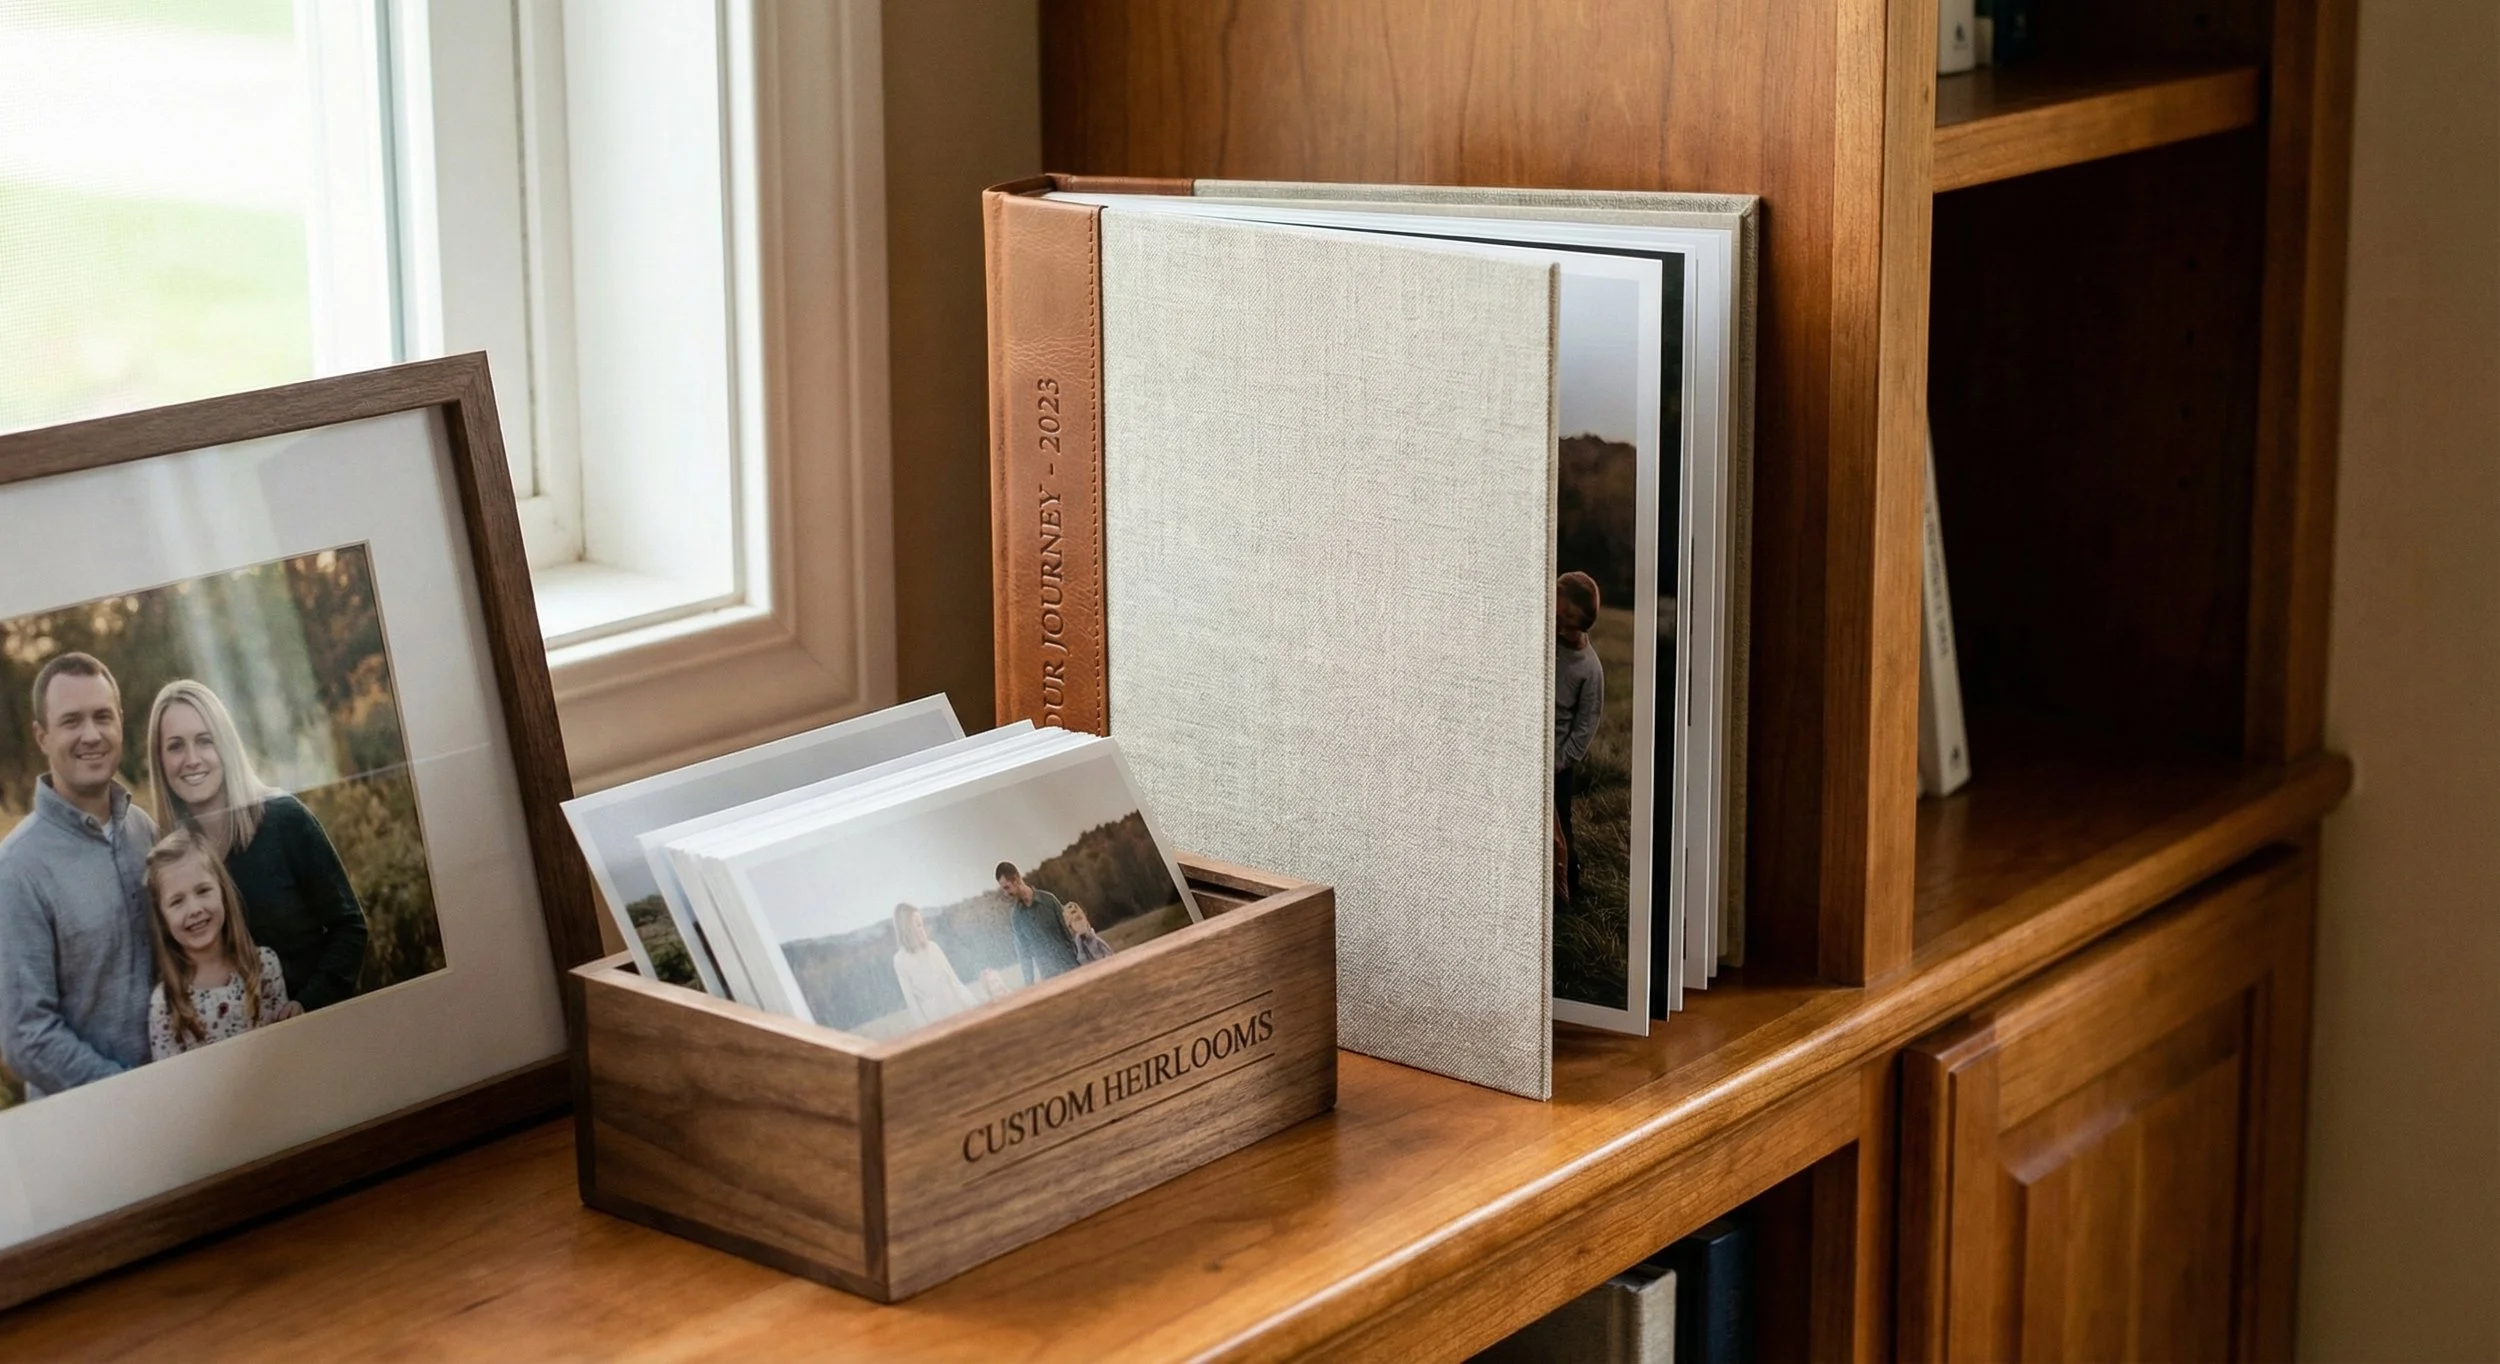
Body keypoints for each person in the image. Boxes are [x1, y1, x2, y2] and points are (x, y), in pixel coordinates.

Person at [146, 679, 368, 1010]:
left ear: (226, 746)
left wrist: (307, 1004)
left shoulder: (284, 820)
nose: (192, 759)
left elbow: (349, 928)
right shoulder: (171, 860)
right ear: (160, 760)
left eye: (205, 741)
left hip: (316, 1024)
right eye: (175, 746)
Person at [0, 653, 159, 1097]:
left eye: (102, 716)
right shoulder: (16, 869)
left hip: (181, 1102)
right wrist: (129, 1093)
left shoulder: (145, 831)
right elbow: (27, 1037)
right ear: (42, 736)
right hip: (91, 1118)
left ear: (120, 721)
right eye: (71, 721)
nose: (91, 734)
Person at [143, 830, 301, 1059]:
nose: (194, 909)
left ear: (223, 893)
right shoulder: (165, 1004)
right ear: (162, 918)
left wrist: (296, 1021)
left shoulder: (264, 967)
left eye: (203, 890)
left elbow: (287, 1052)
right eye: (177, 901)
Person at [1553, 572, 1606, 907]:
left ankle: (1568, 888)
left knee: (1562, 826)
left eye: (1566, 624)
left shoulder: (1589, 669)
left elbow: (1585, 728)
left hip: (1557, 765)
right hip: (1525, 753)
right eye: (1556, 618)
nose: (1559, 629)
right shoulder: (1546, 642)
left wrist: (1559, 762)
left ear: (1582, 625)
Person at [888, 903, 982, 1027]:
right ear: (907, 928)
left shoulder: (933, 948)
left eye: (922, 924)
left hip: (958, 1013)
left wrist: (975, 1006)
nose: (923, 929)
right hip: (937, 1023)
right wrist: (927, 1031)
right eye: (918, 925)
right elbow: (913, 1005)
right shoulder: (900, 960)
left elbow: (954, 982)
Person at [997, 861, 1078, 985]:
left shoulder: (1049, 900)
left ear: (1016, 879)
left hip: (1073, 969)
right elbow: (1024, 955)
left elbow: (1070, 933)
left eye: (1007, 887)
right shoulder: (1016, 917)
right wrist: (1029, 983)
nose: (1006, 894)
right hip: (1050, 980)